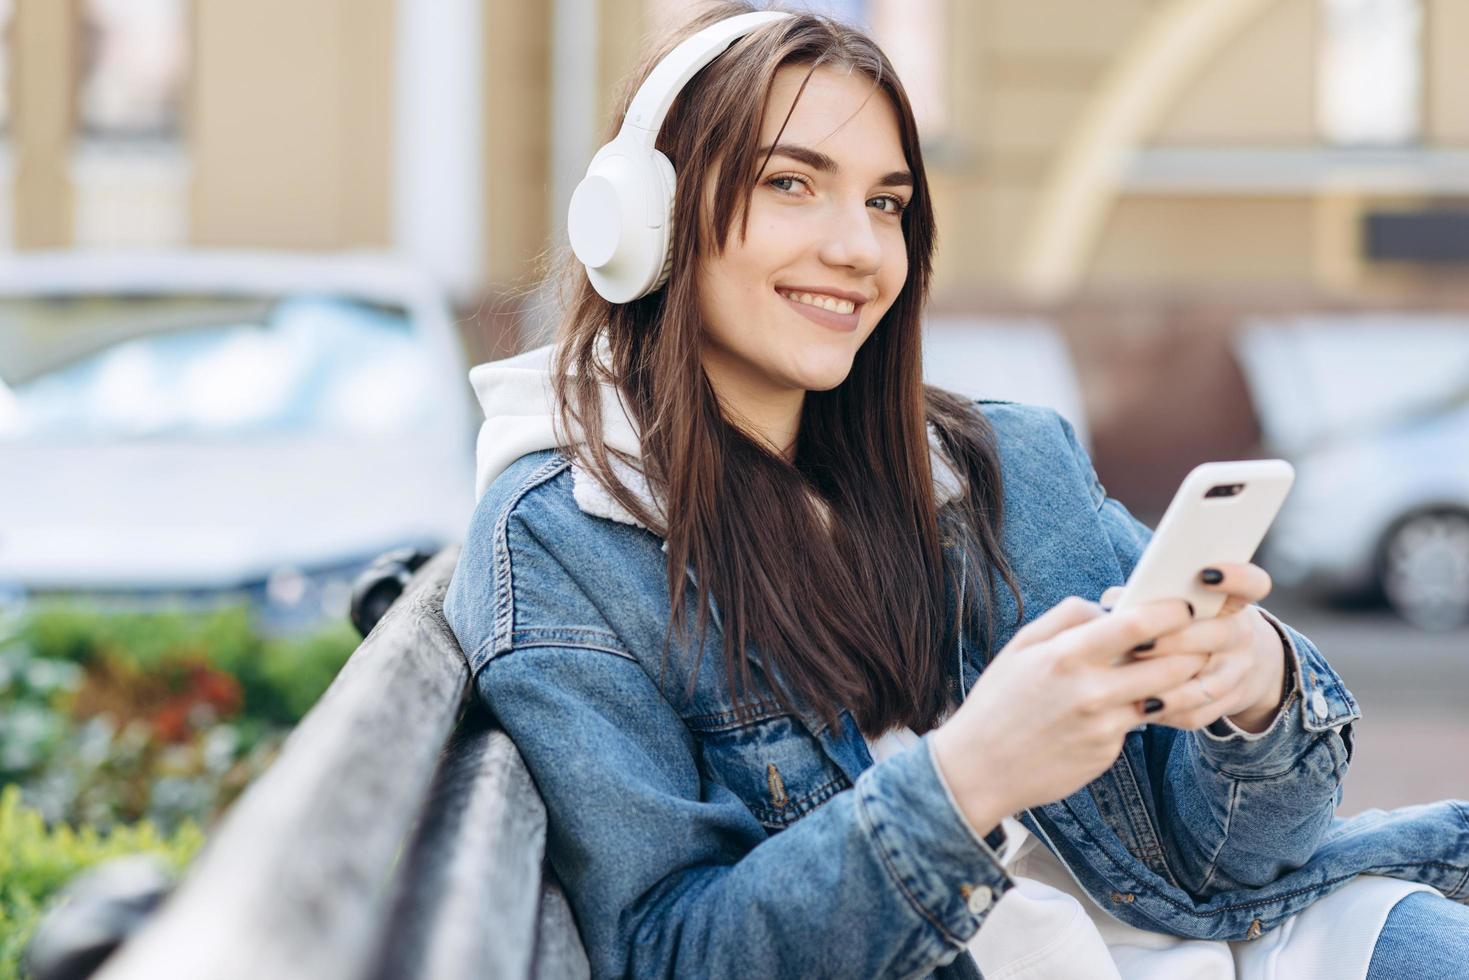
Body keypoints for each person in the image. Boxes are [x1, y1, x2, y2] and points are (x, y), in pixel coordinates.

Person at [444, 4, 1469, 977]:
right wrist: (970, 776)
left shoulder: (1001, 463)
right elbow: (674, 951)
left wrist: (1251, 694)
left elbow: (1228, 867)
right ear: (644, 217)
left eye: (884, 202)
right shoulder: (565, 539)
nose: (854, 247)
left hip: (1232, 939)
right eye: (790, 184)